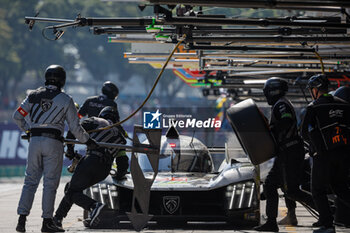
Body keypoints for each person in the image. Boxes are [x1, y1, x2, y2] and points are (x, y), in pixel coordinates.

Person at [13, 65, 98, 232]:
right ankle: (47, 223)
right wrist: (88, 141)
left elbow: (17, 116)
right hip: (54, 143)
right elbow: (75, 128)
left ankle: (21, 221)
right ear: (63, 80)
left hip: (35, 141)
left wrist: (28, 131)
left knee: (30, 181)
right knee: (50, 184)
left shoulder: (33, 95)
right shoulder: (66, 99)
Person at [254, 77, 316, 232]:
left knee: (283, 188)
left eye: (267, 92)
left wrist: (269, 131)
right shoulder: (281, 103)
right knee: (283, 187)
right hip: (289, 151)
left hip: (290, 151)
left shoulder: (281, 105)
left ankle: (329, 212)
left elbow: (286, 122)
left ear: (272, 91)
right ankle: (328, 211)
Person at [53, 106, 129, 230]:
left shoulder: (96, 121)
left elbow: (74, 129)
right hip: (104, 170)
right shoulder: (120, 137)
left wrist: (70, 151)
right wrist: (119, 176)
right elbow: (123, 163)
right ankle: (57, 219)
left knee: (71, 190)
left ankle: (94, 206)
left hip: (91, 161)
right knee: (72, 189)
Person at [301, 74, 350, 233]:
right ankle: (324, 220)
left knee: (318, 189)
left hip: (323, 155)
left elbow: (303, 132)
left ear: (315, 90)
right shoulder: (345, 105)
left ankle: (327, 224)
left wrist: (315, 147)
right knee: (341, 188)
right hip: (343, 155)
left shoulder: (313, 107)